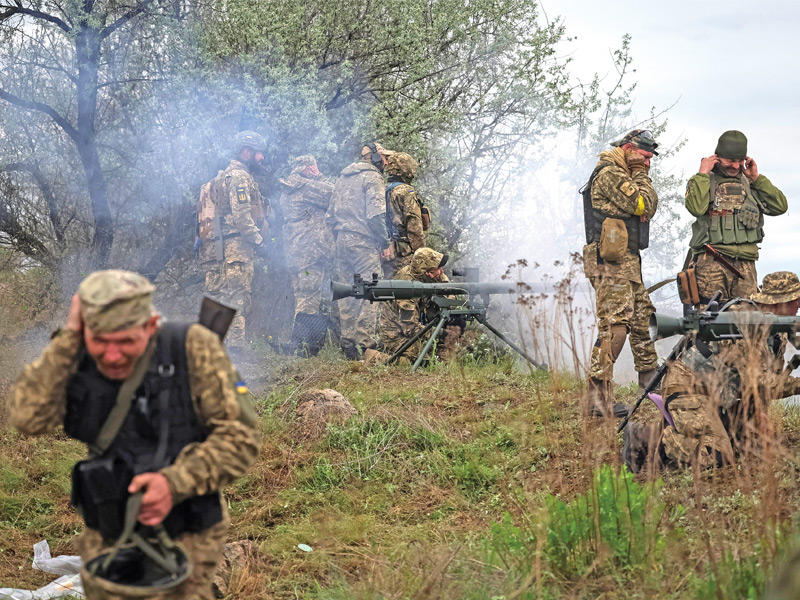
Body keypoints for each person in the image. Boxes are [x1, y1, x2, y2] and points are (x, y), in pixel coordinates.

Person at [9, 270, 261, 599]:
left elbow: (241, 437)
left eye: (126, 342)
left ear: (150, 326)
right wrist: (69, 338)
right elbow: (28, 417)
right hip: (108, 530)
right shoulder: (76, 353)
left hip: (188, 534)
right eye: (101, 341)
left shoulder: (192, 348)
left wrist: (174, 483)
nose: (112, 356)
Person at [624, 271, 800, 472]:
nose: (799, 305)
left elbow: (764, 382)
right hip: (690, 389)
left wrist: (758, 417)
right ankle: (645, 439)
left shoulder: (776, 333)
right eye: (796, 300)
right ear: (781, 302)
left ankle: (693, 429)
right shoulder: (743, 321)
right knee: (718, 454)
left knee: (749, 445)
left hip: (721, 393)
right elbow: (759, 381)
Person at [581, 129, 660, 416]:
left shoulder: (621, 173)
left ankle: (651, 383)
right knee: (615, 326)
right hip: (610, 264)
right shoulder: (611, 174)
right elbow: (645, 204)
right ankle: (597, 398)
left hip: (626, 263)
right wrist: (641, 176)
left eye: (650, 158)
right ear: (628, 148)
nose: (647, 162)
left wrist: (638, 174)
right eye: (643, 156)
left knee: (642, 319)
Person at [685, 130, 787, 304]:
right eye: (730, 161)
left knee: (748, 319)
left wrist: (757, 178)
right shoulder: (703, 181)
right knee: (710, 317)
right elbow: (695, 208)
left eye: (739, 161)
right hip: (712, 261)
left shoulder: (750, 183)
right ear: (717, 158)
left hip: (746, 264)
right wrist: (702, 174)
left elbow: (779, 207)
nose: (735, 166)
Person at [196, 130, 269, 353]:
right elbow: (241, 216)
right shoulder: (239, 177)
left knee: (217, 296)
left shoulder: (220, 177)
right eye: (258, 153)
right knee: (237, 296)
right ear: (246, 152)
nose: (261, 158)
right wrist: (258, 241)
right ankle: (236, 351)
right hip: (236, 246)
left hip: (217, 247)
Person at [326, 142, 394, 359]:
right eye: (383, 157)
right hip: (363, 242)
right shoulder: (373, 178)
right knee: (371, 289)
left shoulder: (342, 178)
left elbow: (329, 217)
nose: (385, 162)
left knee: (348, 290)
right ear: (374, 158)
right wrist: (385, 242)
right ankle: (367, 346)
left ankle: (348, 344)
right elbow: (375, 216)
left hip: (341, 241)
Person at [279, 154, 335, 354]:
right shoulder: (307, 187)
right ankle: (299, 347)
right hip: (310, 254)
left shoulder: (288, 189)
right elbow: (334, 194)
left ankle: (298, 345)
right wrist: (319, 177)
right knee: (309, 297)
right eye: (315, 167)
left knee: (301, 295)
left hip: (295, 253)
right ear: (309, 168)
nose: (317, 170)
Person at [377, 247, 450, 363]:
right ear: (428, 272)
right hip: (395, 334)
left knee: (440, 350)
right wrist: (439, 334)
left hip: (414, 327)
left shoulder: (430, 273)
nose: (441, 272)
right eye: (438, 269)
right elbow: (410, 328)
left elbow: (447, 286)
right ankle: (376, 357)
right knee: (425, 359)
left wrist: (448, 298)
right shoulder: (406, 286)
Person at [382, 152, 429, 276]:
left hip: (386, 252)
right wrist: (423, 256)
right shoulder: (406, 192)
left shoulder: (383, 189)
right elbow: (414, 228)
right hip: (404, 254)